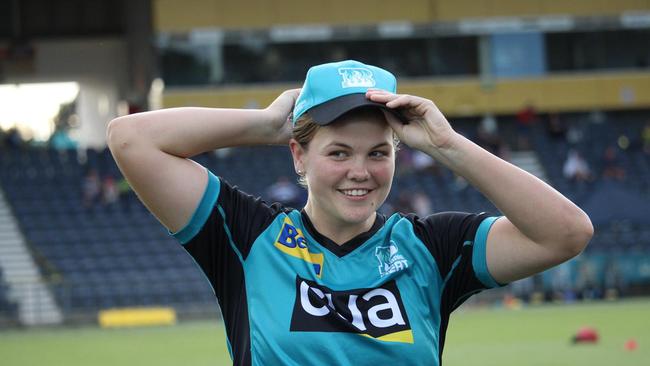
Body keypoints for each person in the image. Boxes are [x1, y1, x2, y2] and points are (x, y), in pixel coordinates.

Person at [107, 60, 593, 365]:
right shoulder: (245, 235)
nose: (359, 171)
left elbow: (565, 233)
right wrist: (265, 124)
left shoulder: (432, 248)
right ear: (298, 156)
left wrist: (449, 146)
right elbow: (130, 139)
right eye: (338, 152)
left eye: (378, 153)